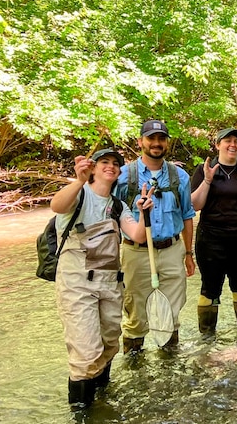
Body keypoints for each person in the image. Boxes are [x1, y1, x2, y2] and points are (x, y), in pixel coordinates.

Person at [51, 149, 154, 410]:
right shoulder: (79, 194)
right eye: (104, 162)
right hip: (77, 284)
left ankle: (101, 402)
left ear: (119, 172)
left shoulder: (118, 205)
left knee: (108, 347)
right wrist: (78, 181)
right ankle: (82, 413)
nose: (110, 167)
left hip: (110, 283)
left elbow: (138, 235)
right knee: (86, 353)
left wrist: (144, 213)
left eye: (115, 164)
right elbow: (57, 206)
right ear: (93, 168)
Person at [115, 119, 197, 354]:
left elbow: (187, 215)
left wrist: (189, 254)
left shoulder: (179, 177)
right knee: (135, 317)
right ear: (141, 141)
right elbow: (110, 213)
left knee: (170, 315)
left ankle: (169, 371)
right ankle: (135, 368)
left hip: (172, 251)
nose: (156, 143)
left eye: (161, 139)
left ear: (167, 143)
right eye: (151, 138)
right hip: (136, 252)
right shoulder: (123, 176)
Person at [190, 128, 237, 335]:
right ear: (218, 145)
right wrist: (207, 180)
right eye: (228, 141)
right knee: (210, 288)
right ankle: (207, 338)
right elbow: (194, 206)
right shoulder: (204, 169)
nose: (233, 145)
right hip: (211, 240)